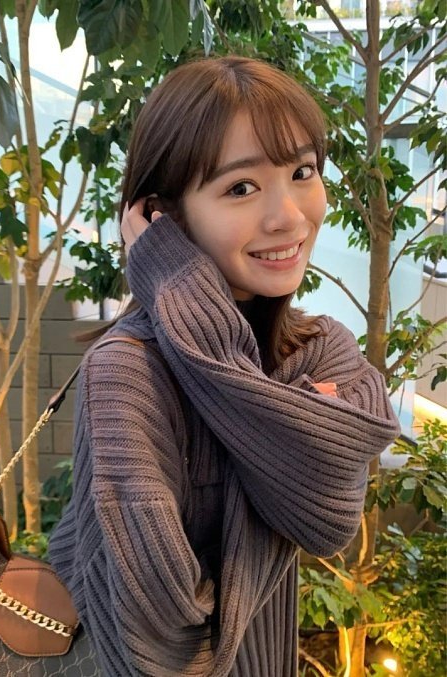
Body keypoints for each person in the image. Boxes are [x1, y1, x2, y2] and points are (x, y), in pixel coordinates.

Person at [48, 56, 401, 676]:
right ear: (163, 216)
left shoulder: (317, 346)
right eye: (240, 188)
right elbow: (154, 643)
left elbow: (328, 518)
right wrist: (178, 287)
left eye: (302, 172)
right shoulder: (128, 374)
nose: (289, 216)